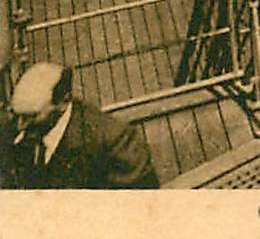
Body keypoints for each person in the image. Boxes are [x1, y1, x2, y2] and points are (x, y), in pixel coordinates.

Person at [3, 63, 159, 189]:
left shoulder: (116, 141)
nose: (20, 125)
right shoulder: (18, 125)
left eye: (32, 116)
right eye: (17, 115)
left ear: (64, 102)